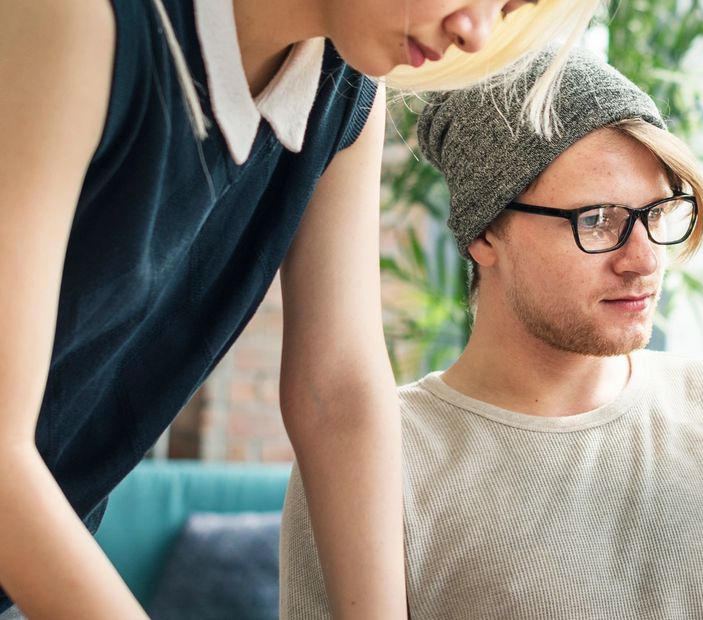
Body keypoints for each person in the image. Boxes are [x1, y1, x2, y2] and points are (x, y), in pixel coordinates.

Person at [0, 0, 599, 616]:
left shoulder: (342, 97)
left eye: (507, 7)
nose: (477, 33)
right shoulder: (77, 20)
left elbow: (337, 392)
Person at [280, 48, 703, 619]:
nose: (643, 259)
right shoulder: (371, 455)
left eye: (656, 214)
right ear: (485, 233)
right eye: (599, 220)